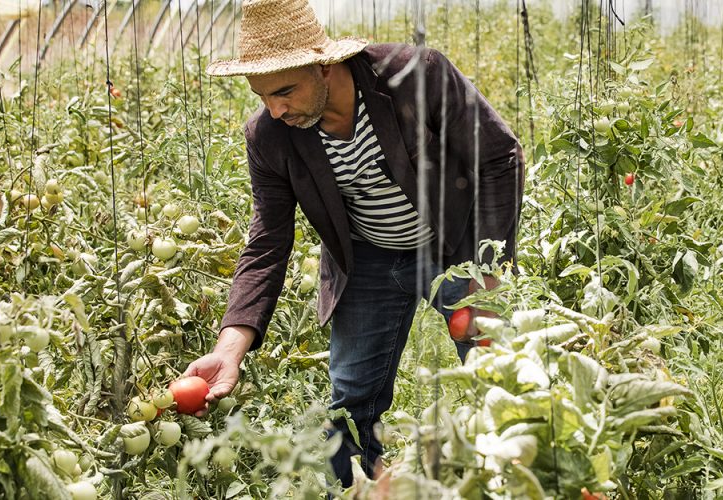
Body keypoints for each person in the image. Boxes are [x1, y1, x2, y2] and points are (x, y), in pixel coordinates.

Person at [181, 0, 523, 487]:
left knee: (500, 372)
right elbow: (267, 241)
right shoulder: (270, 135)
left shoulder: (415, 77)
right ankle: (354, 492)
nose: (276, 110)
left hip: (454, 249)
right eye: (262, 97)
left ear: (325, 65)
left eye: (284, 91)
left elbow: (499, 156)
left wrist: (487, 271)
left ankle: (521, 479)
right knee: (349, 403)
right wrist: (230, 349)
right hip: (366, 260)